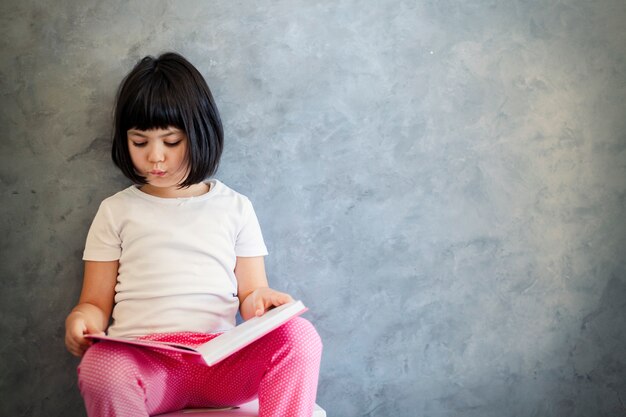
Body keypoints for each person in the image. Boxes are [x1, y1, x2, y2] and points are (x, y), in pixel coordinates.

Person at [64, 52, 322, 417]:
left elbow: (251, 295)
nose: (155, 158)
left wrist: (264, 301)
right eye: (140, 143)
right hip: (147, 367)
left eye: (171, 142)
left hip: (222, 364)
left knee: (300, 337)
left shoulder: (235, 207)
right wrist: (81, 320)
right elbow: (94, 303)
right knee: (100, 367)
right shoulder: (115, 211)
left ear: (200, 134)